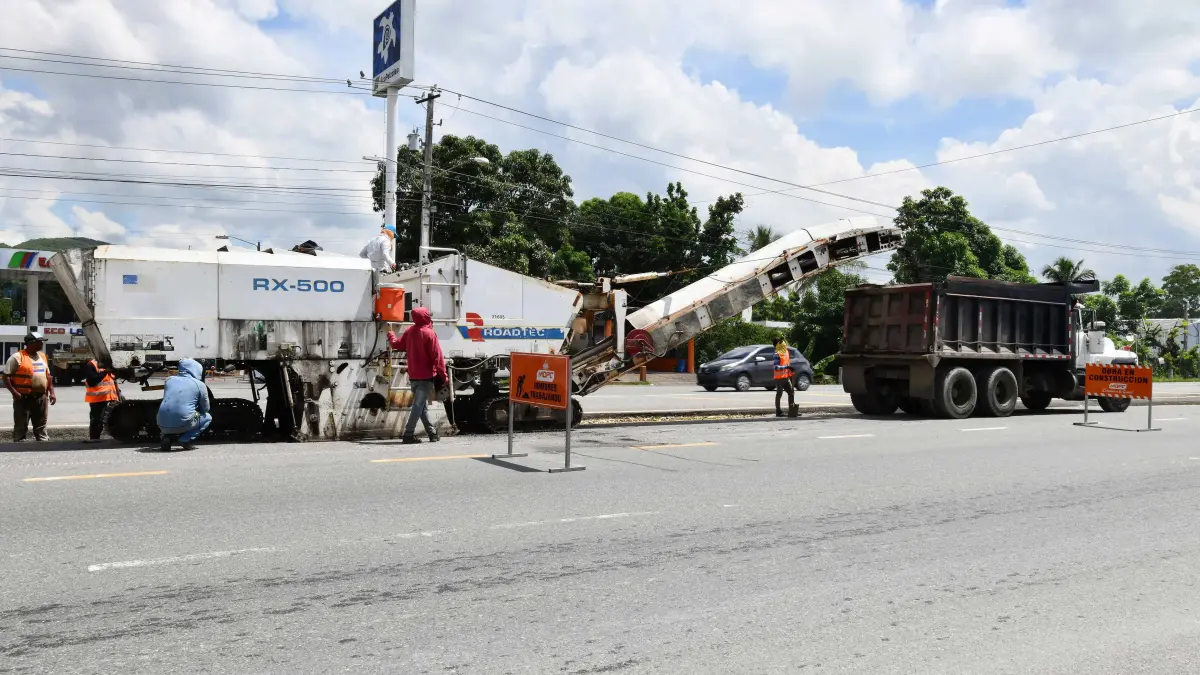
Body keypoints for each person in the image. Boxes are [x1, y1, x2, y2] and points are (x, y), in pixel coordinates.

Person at [386, 306, 447, 444]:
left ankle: (432, 434)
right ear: (426, 317)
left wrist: (391, 334)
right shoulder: (430, 334)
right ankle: (408, 434)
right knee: (418, 406)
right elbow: (438, 357)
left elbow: (397, 345)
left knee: (422, 406)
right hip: (426, 377)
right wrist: (444, 376)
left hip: (413, 376)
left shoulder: (410, 331)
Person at [5, 331, 55, 441]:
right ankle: (19, 447)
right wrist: (14, 392)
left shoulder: (42, 356)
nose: (42, 344)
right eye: (39, 342)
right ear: (31, 343)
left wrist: (52, 392)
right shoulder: (17, 357)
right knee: (20, 427)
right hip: (23, 398)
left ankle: (43, 448)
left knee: (41, 426)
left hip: (40, 398)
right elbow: (6, 376)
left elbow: (48, 376)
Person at [156, 358, 211, 451]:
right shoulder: (200, 385)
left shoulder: (169, 380)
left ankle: (166, 437)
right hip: (183, 422)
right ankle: (185, 439)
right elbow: (205, 409)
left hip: (161, 422)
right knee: (207, 417)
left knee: (172, 414)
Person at [82, 357, 121, 443]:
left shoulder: (110, 364)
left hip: (110, 396)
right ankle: (94, 438)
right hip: (97, 398)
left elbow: (113, 381)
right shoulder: (92, 364)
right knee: (97, 419)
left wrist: (118, 393)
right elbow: (91, 380)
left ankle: (101, 437)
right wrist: (105, 372)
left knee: (109, 418)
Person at [773, 336, 797, 418]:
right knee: (779, 394)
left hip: (786, 377)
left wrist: (790, 371)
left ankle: (792, 410)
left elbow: (787, 364)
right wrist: (786, 367)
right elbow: (776, 367)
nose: (783, 343)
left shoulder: (786, 352)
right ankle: (778, 411)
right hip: (779, 378)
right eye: (780, 342)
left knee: (791, 393)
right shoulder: (776, 354)